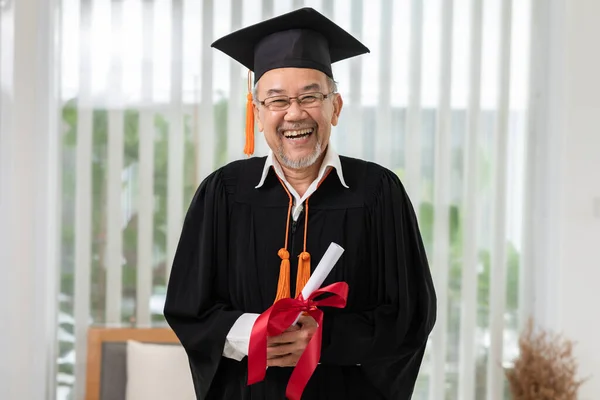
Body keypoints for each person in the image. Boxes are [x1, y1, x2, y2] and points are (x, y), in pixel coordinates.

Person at [164, 7, 436, 400]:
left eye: (310, 96)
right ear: (257, 113)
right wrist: (252, 333)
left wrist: (326, 339)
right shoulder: (222, 193)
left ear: (335, 107)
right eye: (276, 101)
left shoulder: (378, 193)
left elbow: (411, 315)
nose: (294, 113)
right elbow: (189, 309)